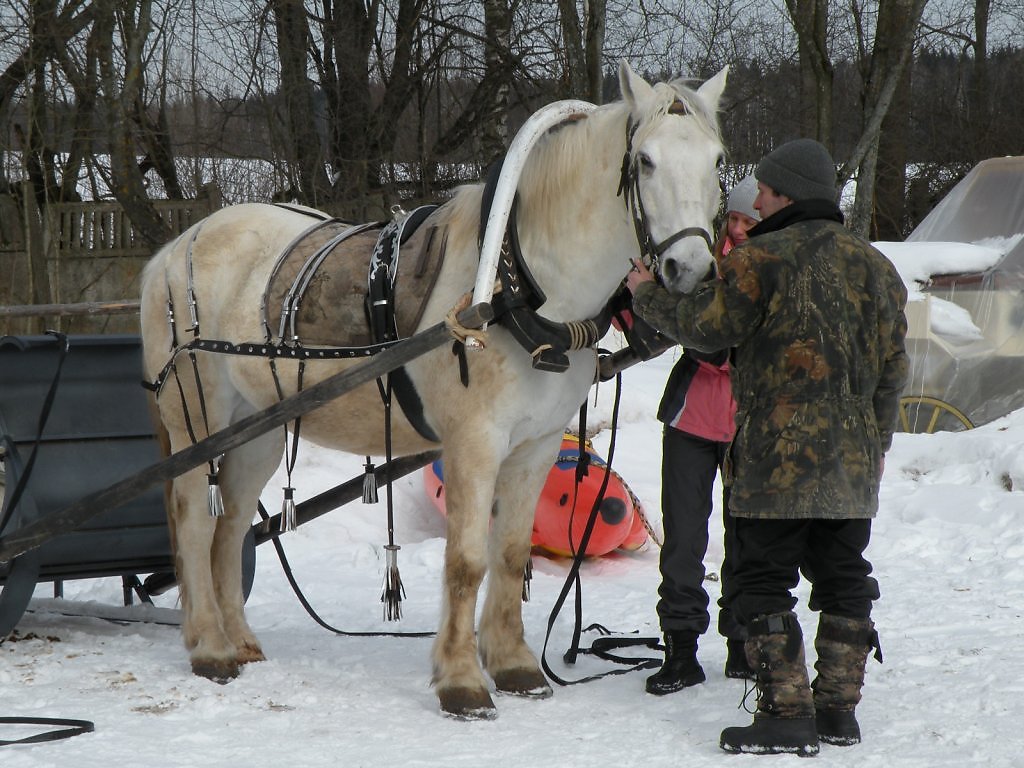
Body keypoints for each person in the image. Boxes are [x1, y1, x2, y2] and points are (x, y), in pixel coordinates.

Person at [626, 139, 909, 756]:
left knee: (761, 580)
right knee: (844, 578)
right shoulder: (877, 268)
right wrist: (876, 444)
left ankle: (785, 714)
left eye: (764, 190)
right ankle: (838, 712)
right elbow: (894, 372)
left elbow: (706, 329)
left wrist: (646, 292)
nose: (755, 200)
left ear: (785, 195)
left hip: (775, 464)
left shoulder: (758, 260)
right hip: (853, 466)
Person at [645, 176, 760, 696]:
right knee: (684, 542)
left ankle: (742, 643)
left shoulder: (768, 272)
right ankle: (681, 650)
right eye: (731, 220)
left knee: (747, 541)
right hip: (691, 420)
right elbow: (672, 326)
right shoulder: (699, 261)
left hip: (748, 425)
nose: (736, 229)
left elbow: (713, 339)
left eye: (747, 222)